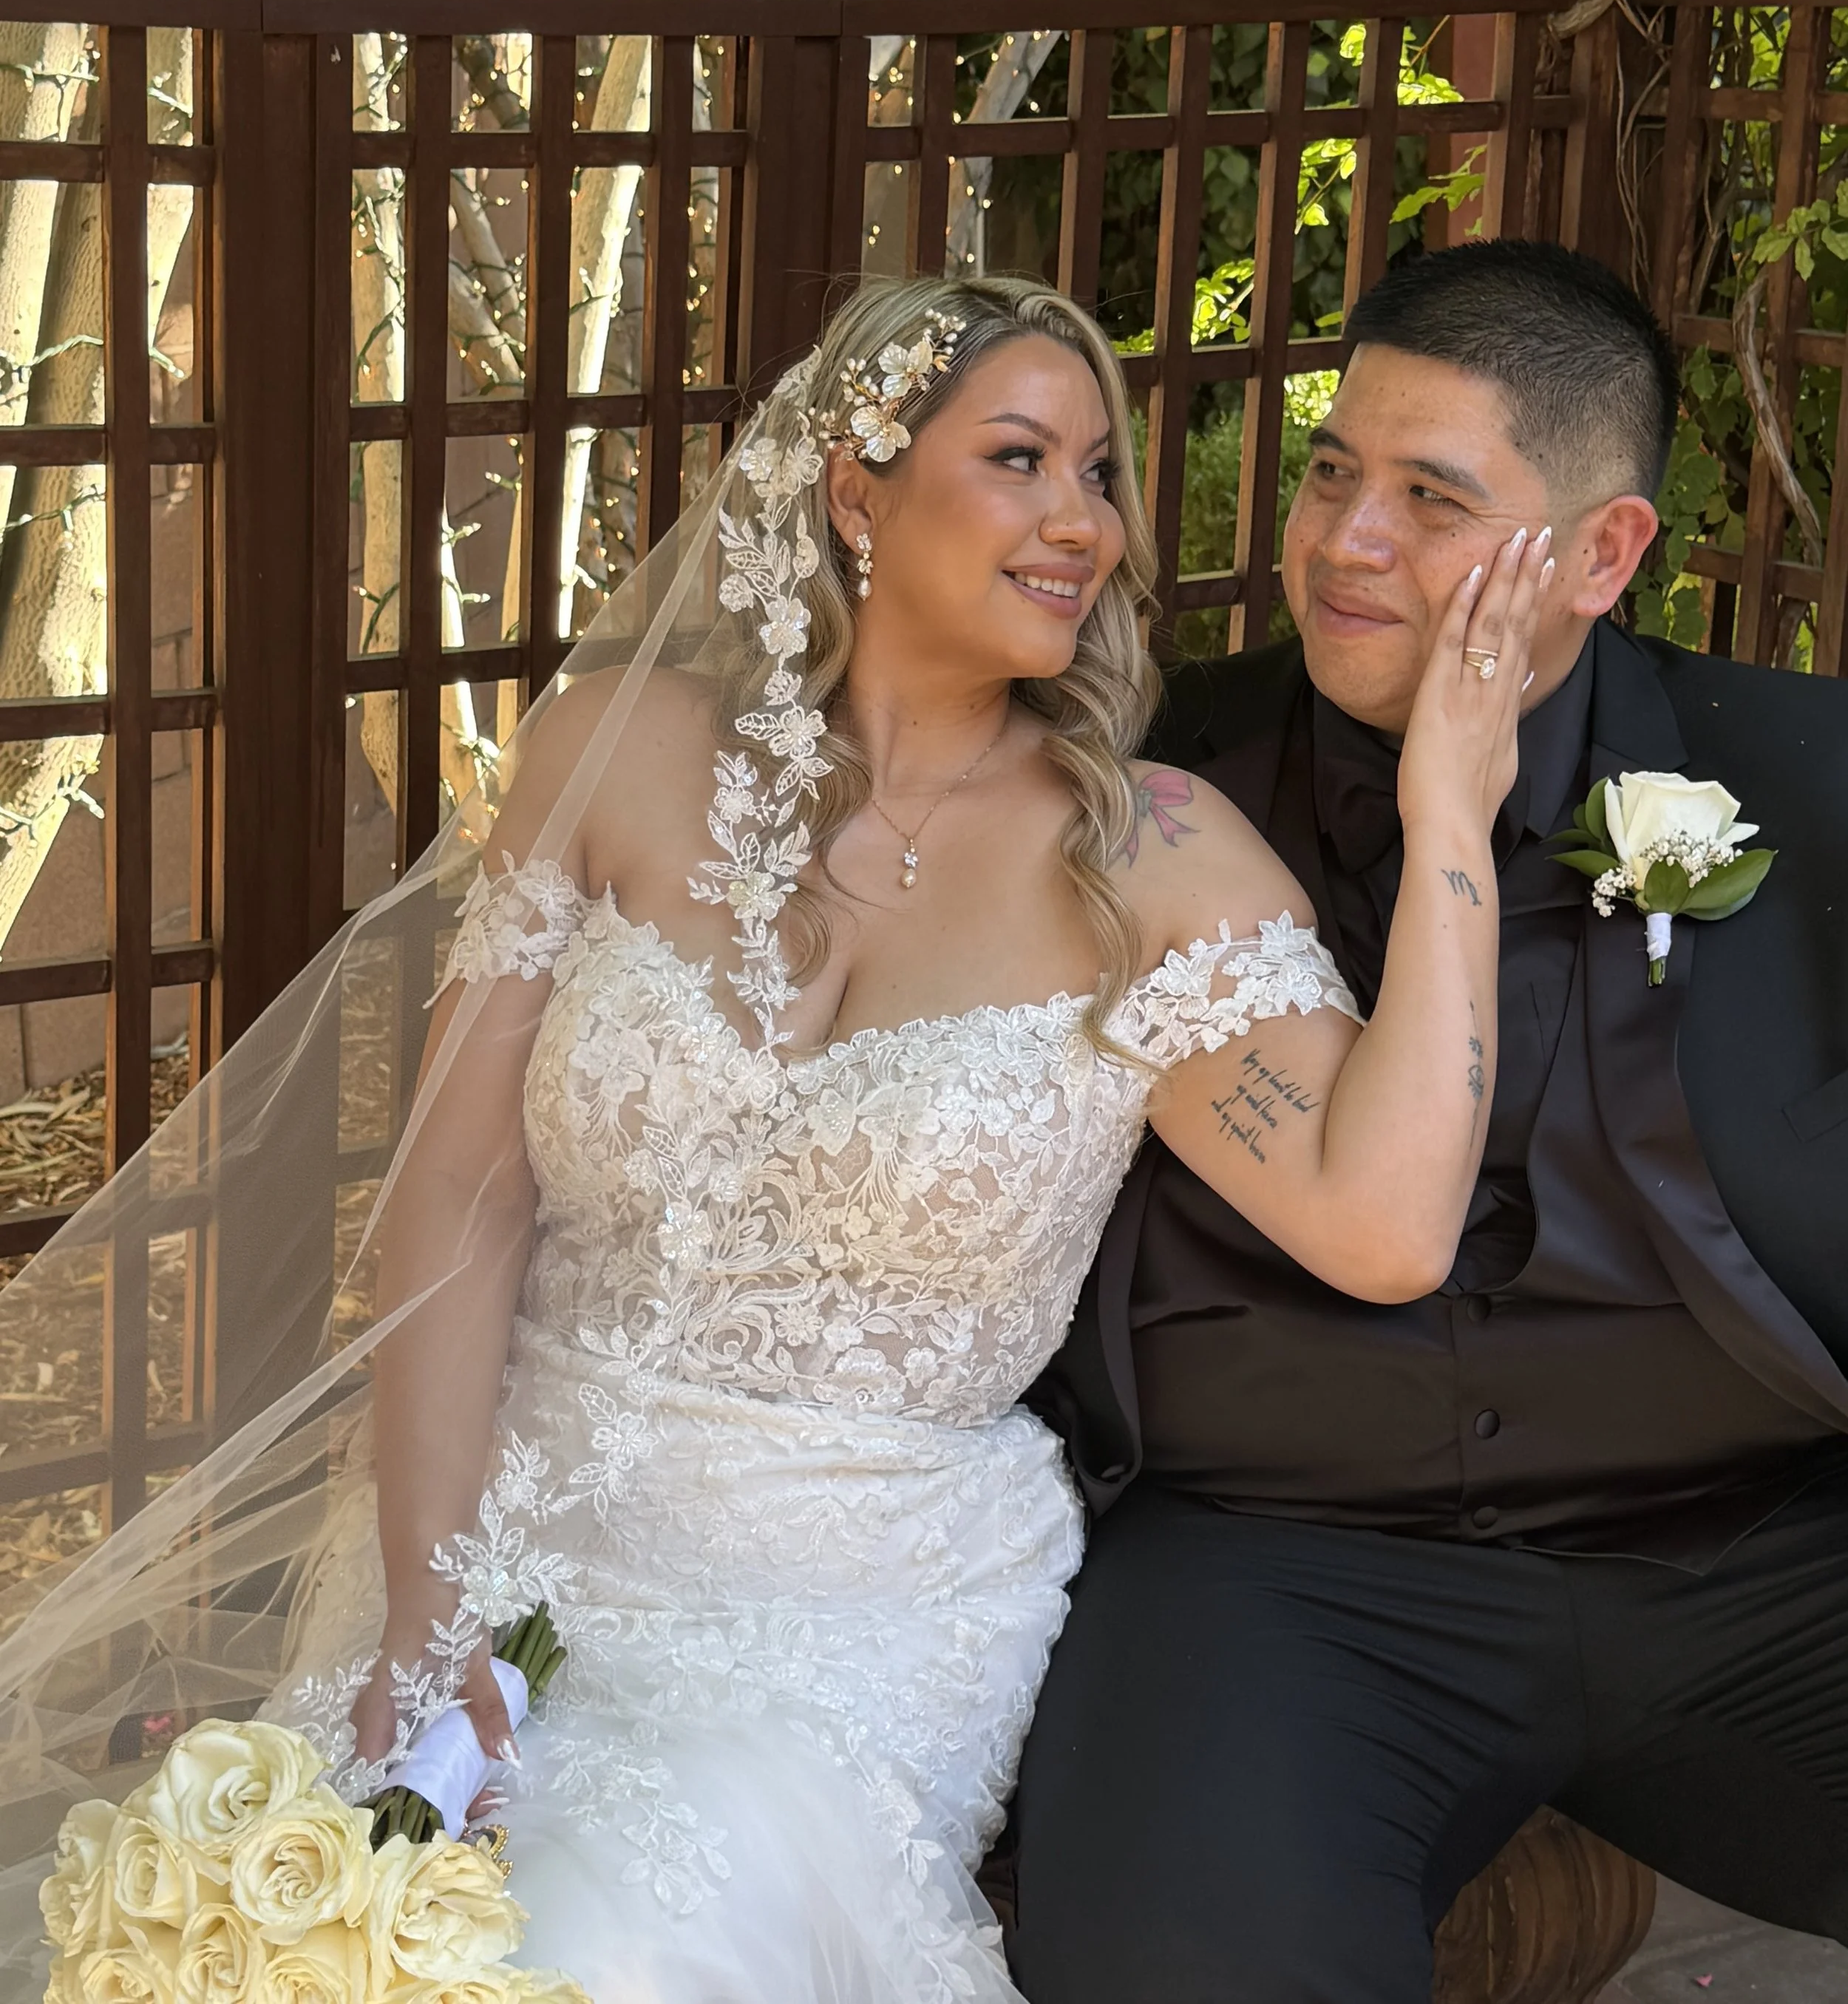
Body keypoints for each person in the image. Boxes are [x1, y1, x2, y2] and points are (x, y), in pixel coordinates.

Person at [0, 270, 1543, 2004]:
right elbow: (452, 1208)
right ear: (851, 490)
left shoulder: (1146, 859)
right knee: (313, 1928)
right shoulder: (611, 755)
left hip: (851, 1613)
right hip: (500, 1526)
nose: (1081, 523)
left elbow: (1385, 1222)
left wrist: (1447, 812)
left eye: (1099, 475)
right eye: (1020, 458)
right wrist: (430, 1631)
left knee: (595, 1946)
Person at [1010, 239, 1848, 2004]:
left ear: (1601, 556)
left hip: (1754, 1558)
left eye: (1427, 497)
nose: (1340, 545)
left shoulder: (1806, 788)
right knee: (1176, 1963)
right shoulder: (1144, 781)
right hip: (1278, 1574)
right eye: (1330, 473)